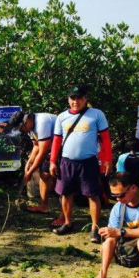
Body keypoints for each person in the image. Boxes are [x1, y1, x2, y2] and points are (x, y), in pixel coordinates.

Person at [49, 85, 113, 243]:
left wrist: (107, 160)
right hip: (66, 162)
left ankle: (95, 228)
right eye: (72, 98)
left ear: (85, 99)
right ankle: (68, 223)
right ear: (68, 99)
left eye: (79, 97)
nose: (75, 101)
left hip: (88, 162)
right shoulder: (61, 117)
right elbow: (56, 141)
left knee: (93, 195)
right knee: (66, 193)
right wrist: (52, 161)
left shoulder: (97, 114)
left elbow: (105, 139)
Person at [6, 110, 57, 213]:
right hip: (51, 147)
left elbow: (43, 151)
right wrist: (29, 164)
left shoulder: (42, 122)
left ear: (27, 120)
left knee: (51, 175)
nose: (22, 131)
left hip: (64, 147)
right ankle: (44, 206)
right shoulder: (29, 128)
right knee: (45, 175)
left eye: (21, 128)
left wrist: (30, 172)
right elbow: (36, 146)